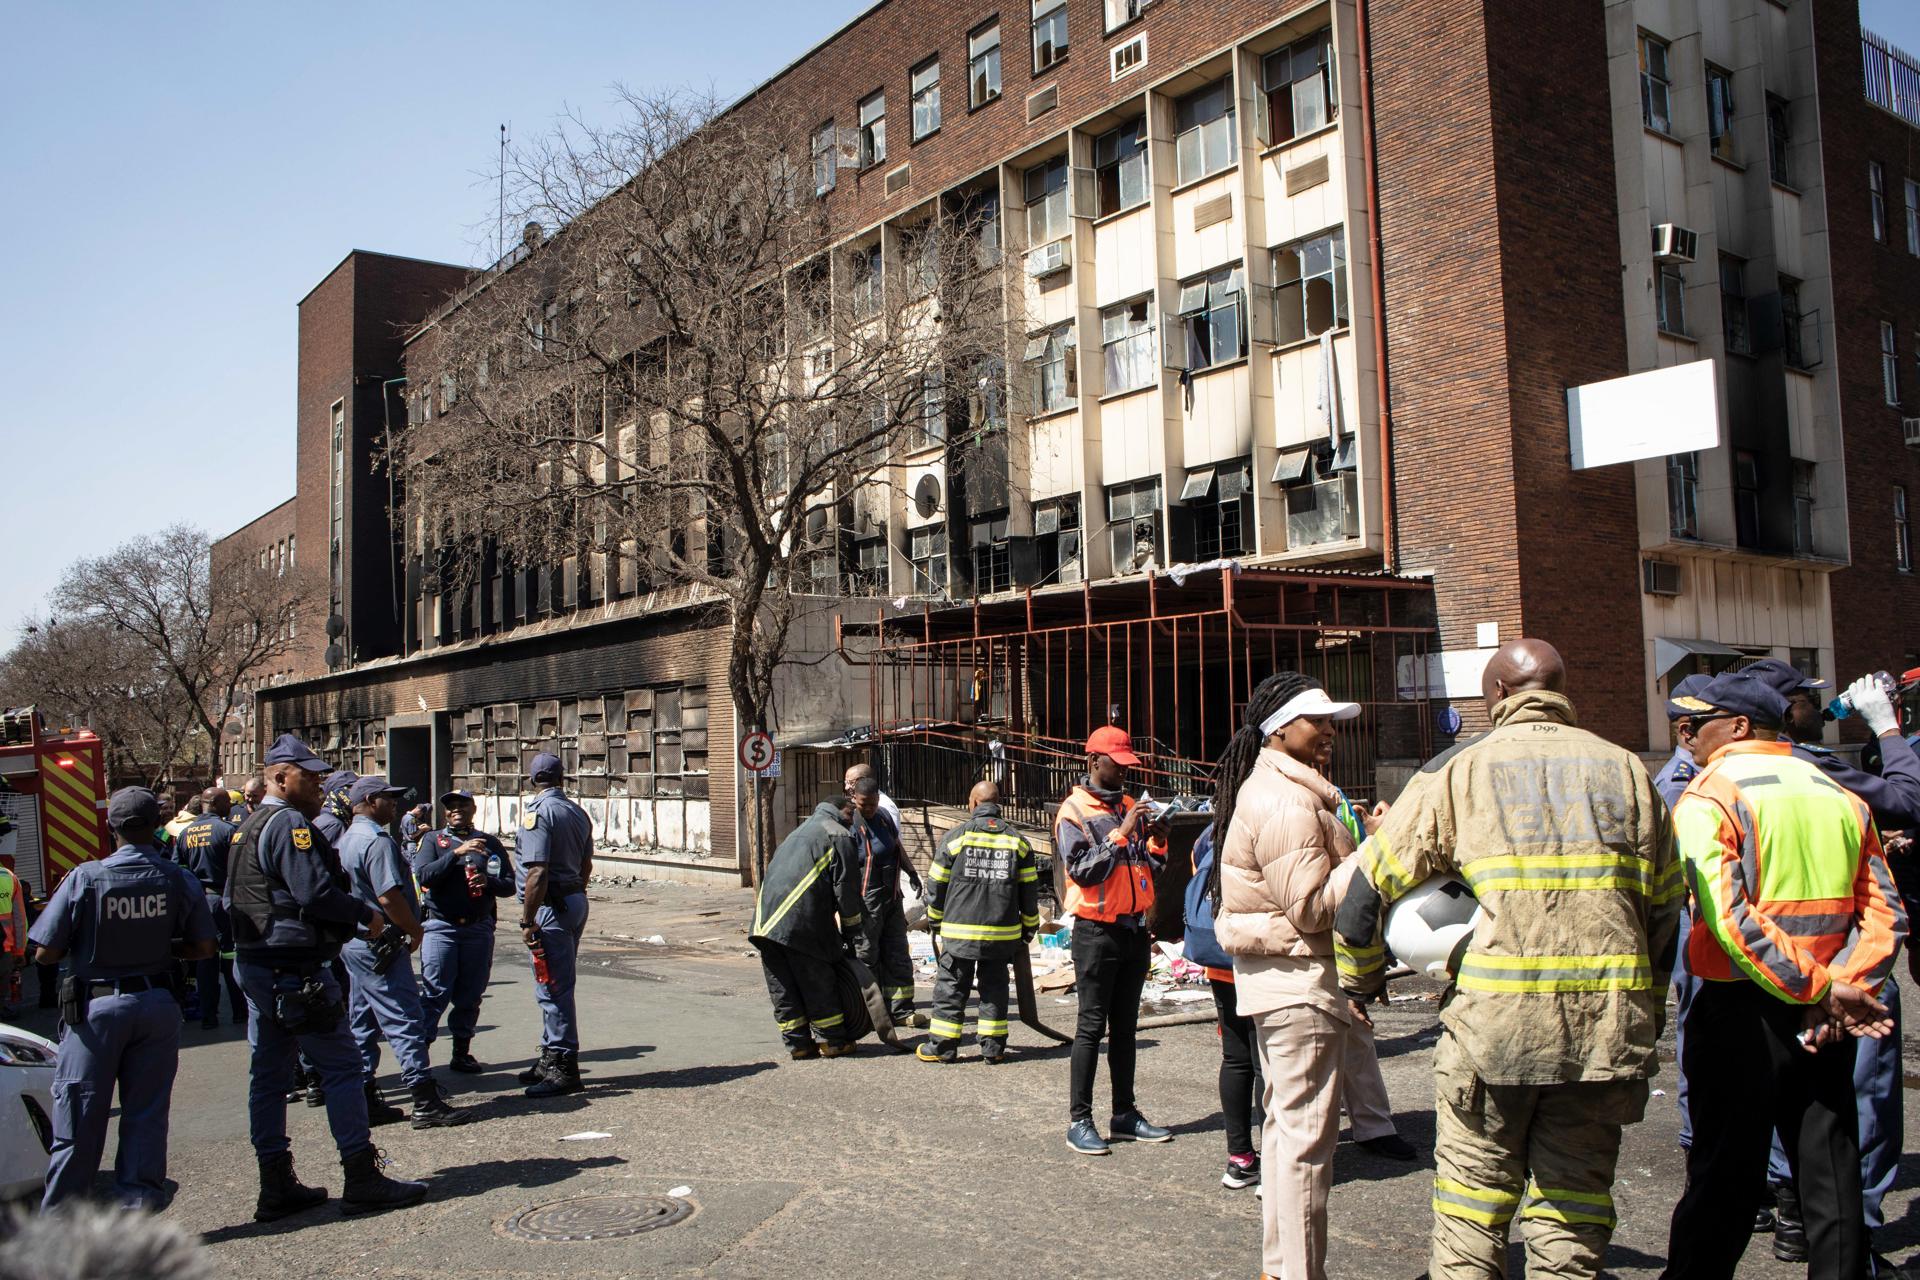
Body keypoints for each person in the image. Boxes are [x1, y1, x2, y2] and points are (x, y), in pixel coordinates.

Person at [1336, 638, 1682, 1280]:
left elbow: (1365, 890)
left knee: (1472, 1208)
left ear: (1496, 696)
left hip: (1493, 1034)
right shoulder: (1630, 772)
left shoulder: (1459, 772)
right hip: (1605, 1034)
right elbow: (1665, 912)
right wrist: (1646, 1009)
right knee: (1573, 1209)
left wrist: (1359, 982)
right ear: (1561, 690)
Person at [1659, 671, 1905, 1280]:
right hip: (1827, 1013)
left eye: (1694, 724)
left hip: (1742, 1009)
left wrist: (1822, 990)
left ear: (1738, 727)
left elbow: (1728, 919)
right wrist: (1845, 988)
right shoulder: (1837, 793)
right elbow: (1885, 913)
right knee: (1832, 1172)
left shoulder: (1711, 794)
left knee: (1726, 1174)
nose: (1683, 736)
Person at [1206, 674, 1390, 1280]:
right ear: (1281, 728)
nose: (1331, 730)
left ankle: (1281, 1268)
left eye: (1334, 720)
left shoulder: (1284, 788)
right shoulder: (1287, 799)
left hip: (1284, 983)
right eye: (1320, 720)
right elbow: (1311, 908)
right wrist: (1375, 850)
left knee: (1287, 1139)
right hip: (1300, 986)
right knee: (1307, 1147)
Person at [1745, 659, 1920, 1270]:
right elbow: (1906, 801)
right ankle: (1856, 1234)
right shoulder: (1812, 769)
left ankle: (1797, 1216)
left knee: (1790, 1107)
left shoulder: (1728, 779)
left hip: (1773, 974)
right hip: (1844, 971)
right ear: (1780, 708)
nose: (1817, 707)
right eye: (1805, 699)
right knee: (1856, 1106)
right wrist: (1887, 727)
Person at [227, 733, 427, 1219]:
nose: (319, 783)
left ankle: (275, 1182)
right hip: (295, 969)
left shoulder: (248, 824)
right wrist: (366, 915)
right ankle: (361, 1175)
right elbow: (315, 893)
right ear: (279, 776)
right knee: (340, 1069)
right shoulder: (289, 824)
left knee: (269, 1078)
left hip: (259, 965)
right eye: (308, 775)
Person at [28, 787, 213, 1211]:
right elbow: (203, 948)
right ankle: (138, 1207)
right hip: (157, 1004)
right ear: (157, 824)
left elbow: (45, 952)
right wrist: (161, 952)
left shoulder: (85, 877)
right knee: (146, 1113)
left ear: (110, 826)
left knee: (80, 1112)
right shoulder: (176, 877)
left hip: (96, 1010)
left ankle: (64, 1220)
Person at [1056, 724, 1170, 1157]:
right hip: (1096, 934)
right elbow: (1083, 870)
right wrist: (1122, 831)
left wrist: (1159, 843)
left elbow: (1145, 872)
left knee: (1125, 1029)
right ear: (1093, 762)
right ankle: (1079, 1121)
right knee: (1090, 1028)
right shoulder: (1074, 811)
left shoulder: (1128, 806)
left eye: (1128, 764)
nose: (1124, 772)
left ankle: (1124, 1115)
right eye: (1116, 764)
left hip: (1134, 931)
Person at [336, 776, 470, 1130]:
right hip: (382, 941)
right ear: (368, 800)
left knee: (362, 1020)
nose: (394, 803)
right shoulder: (376, 840)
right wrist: (414, 929)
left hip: (358, 943)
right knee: (405, 1018)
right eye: (387, 798)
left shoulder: (348, 837)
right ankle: (424, 1100)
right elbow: (388, 897)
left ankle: (364, 1095)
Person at [919, 780, 1039, 1064]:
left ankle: (943, 1048)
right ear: (998, 804)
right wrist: (1029, 929)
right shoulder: (1018, 842)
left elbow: (936, 886)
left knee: (951, 988)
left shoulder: (955, 837)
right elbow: (1029, 892)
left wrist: (935, 922)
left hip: (959, 933)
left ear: (972, 803)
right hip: (1001, 934)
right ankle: (993, 1049)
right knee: (995, 987)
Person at [749, 791, 866, 1059]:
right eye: (852, 815)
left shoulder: (800, 831)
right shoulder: (838, 834)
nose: (852, 822)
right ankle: (833, 1041)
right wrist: (851, 933)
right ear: (844, 811)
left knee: (783, 985)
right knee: (818, 981)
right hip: (800, 922)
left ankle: (799, 1044)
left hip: (764, 923)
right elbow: (846, 892)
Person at [1185, 823, 1265, 1190]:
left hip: (1219, 959)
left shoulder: (1209, 835)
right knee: (1267, 1063)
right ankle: (1278, 1160)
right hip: (1259, 962)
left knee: (1235, 1059)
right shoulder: (1261, 828)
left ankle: (1240, 1158)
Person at [412, 789, 513, 1074]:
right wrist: (456, 853)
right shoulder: (433, 840)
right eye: (451, 806)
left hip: (478, 929)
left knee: (470, 995)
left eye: (462, 805)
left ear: (473, 809)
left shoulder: (490, 843)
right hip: (441, 927)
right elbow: (424, 876)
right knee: (435, 994)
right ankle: (419, 1061)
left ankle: (461, 1053)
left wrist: (488, 882)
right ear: (444, 813)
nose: (456, 809)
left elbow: (508, 884)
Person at [515, 751, 594, 1098]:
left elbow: (537, 872)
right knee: (553, 982)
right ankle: (549, 1055)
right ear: (562, 778)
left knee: (553, 986)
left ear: (534, 780)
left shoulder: (538, 813)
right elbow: (587, 864)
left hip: (551, 906)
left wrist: (527, 919)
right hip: (574, 899)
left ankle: (563, 1064)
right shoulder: (577, 812)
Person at [849, 774, 922, 1026]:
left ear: (878, 799)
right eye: (863, 804)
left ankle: (901, 1011)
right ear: (854, 799)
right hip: (866, 902)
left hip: (891, 898)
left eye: (872, 803)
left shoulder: (884, 817)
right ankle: (870, 1014)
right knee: (868, 956)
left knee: (898, 954)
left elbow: (896, 847)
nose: (868, 809)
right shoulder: (850, 823)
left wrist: (911, 872)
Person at [177, 787, 244, 1030]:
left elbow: (179, 871)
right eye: (228, 801)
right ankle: (239, 1012)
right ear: (215, 802)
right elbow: (242, 868)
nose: (232, 806)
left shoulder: (185, 834)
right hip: (225, 901)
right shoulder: (228, 831)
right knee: (231, 957)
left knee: (206, 960)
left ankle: (208, 1016)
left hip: (199, 903)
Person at [311, 771, 357, 847]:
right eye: (351, 788)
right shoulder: (334, 824)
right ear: (338, 792)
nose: (358, 793)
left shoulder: (336, 817)